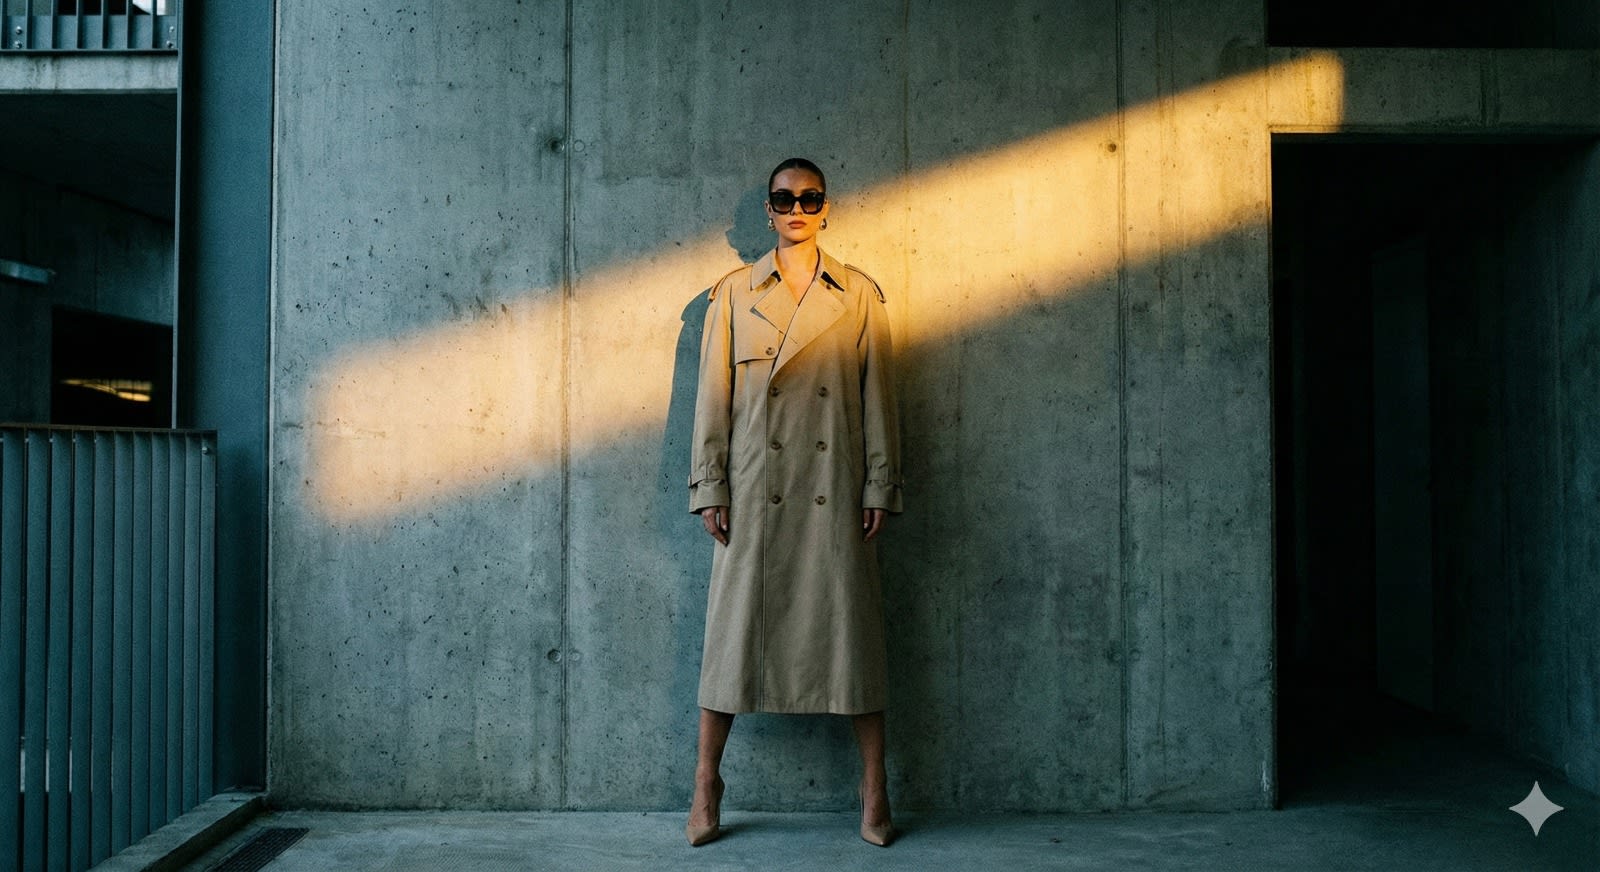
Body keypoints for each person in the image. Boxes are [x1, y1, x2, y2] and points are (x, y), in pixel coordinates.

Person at [686, 157, 903, 848]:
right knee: (729, 641)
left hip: (830, 490)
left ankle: (876, 789)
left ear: (827, 207)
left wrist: (879, 483)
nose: (797, 209)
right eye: (784, 199)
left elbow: (879, 400)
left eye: (809, 198)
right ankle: (706, 782)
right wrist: (709, 485)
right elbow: (711, 401)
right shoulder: (732, 296)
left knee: (854, 643)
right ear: (768, 211)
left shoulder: (859, 294)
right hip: (756, 491)